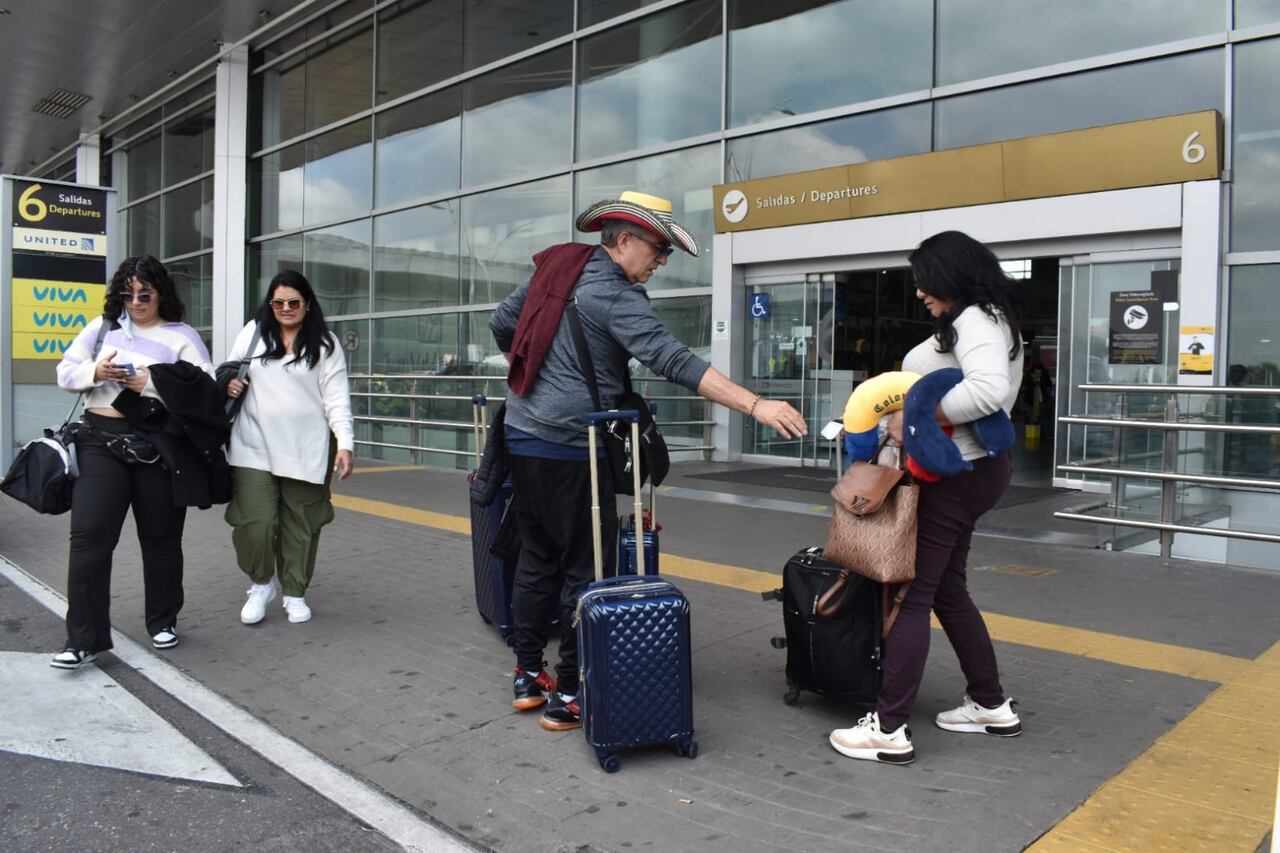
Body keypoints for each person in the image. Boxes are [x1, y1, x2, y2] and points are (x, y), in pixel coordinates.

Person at [490, 190, 807, 731]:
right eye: (658, 249)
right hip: (575, 448)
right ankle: (568, 693)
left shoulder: (559, 269)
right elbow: (672, 360)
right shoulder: (615, 295)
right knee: (586, 568)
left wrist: (540, 382)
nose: (661, 261)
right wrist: (756, 404)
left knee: (536, 558)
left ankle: (526, 675)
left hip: (521, 435)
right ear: (625, 239)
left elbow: (504, 323)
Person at [828, 230, 1024, 764]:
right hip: (974, 470)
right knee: (948, 591)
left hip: (954, 474)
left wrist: (911, 418)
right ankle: (989, 704)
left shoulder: (976, 319)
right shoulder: (985, 317)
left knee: (913, 595)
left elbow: (989, 389)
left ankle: (888, 729)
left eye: (924, 282)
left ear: (952, 275)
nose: (919, 293)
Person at [51, 255, 220, 669]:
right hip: (98, 442)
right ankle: (83, 639)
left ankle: (163, 620)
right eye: (127, 294)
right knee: (89, 538)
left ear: (161, 293)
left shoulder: (181, 336)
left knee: (161, 540)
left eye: (145, 293)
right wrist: (98, 370)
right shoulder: (101, 328)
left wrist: (152, 383)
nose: (136, 301)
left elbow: (206, 390)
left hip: (157, 447)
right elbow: (64, 373)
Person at [222, 270, 355, 626]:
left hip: (307, 448)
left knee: (302, 525)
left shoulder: (325, 344)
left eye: (293, 302)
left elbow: (337, 398)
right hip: (252, 446)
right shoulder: (253, 333)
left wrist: (345, 443)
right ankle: (261, 583)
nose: (286, 308)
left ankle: (294, 591)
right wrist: (229, 386)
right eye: (278, 302)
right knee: (256, 522)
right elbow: (228, 372)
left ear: (307, 304)